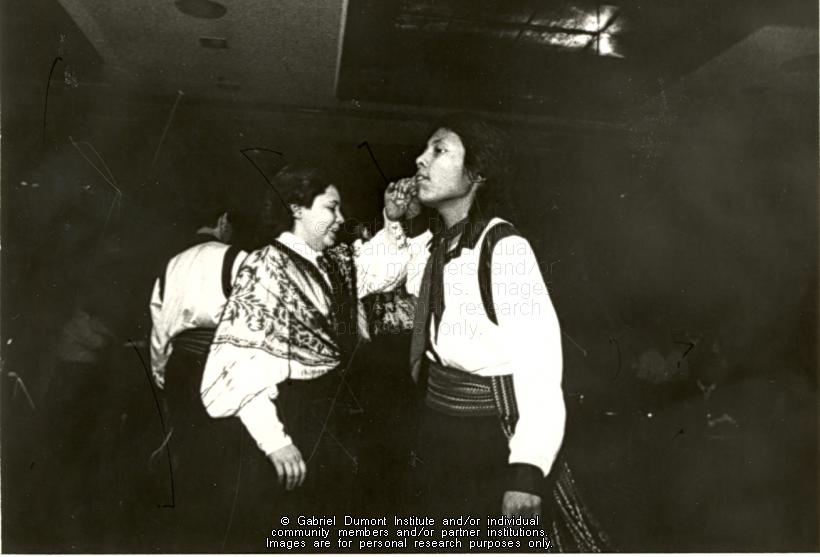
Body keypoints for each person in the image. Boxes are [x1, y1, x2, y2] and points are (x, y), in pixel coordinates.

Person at [199, 163, 415, 546]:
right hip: (294, 416)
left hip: (334, 414)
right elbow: (240, 361)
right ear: (297, 208)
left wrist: (393, 219)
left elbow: (381, 272)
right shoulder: (267, 265)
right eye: (331, 207)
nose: (341, 218)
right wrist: (275, 440)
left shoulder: (332, 261)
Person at [398, 113, 564, 515]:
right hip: (438, 425)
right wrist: (406, 223)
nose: (421, 159)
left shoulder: (503, 248)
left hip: (488, 437)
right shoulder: (442, 245)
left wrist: (526, 472)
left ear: (477, 174)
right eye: (425, 149)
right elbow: (413, 290)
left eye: (439, 150)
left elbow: (541, 365)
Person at [148, 207, 248, 551]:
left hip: (180, 366)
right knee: (222, 454)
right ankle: (215, 537)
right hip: (220, 364)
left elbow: (159, 330)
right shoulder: (237, 258)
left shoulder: (171, 264)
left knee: (185, 449)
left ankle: (183, 535)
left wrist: (161, 374)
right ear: (224, 220)